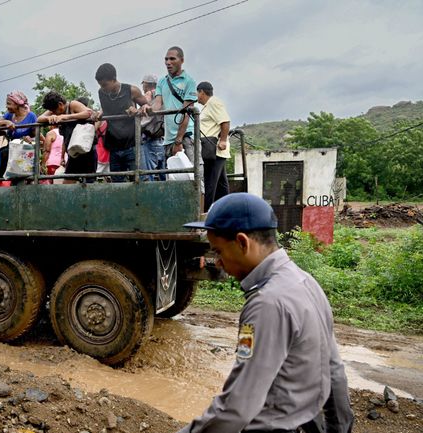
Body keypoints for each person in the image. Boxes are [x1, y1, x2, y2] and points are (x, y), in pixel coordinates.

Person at [179, 193, 354, 433]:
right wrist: (339, 428)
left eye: (218, 251)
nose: (217, 262)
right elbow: (334, 371)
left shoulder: (267, 304)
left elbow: (236, 408)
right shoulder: (305, 282)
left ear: (242, 242)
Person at [94, 63, 151, 182]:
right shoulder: (101, 93)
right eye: (100, 85)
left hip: (132, 144)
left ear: (114, 79)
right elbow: (108, 109)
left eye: (105, 85)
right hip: (114, 146)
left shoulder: (131, 90)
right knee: (117, 184)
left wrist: (139, 110)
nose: (103, 88)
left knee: (141, 180)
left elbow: (147, 106)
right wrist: (101, 113)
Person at [37, 91, 96, 184]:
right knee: (68, 182)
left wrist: (66, 117)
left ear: (60, 104)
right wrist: (48, 118)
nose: (53, 113)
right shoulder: (53, 111)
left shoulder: (72, 105)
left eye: (54, 111)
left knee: (89, 182)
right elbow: (39, 118)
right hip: (73, 153)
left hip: (87, 150)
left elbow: (89, 112)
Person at [151, 47, 197, 162]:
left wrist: (179, 140)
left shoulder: (189, 82)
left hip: (186, 136)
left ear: (181, 60)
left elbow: (186, 113)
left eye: (172, 59)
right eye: (166, 59)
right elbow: (157, 104)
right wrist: (146, 108)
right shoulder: (162, 81)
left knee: (194, 175)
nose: (168, 62)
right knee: (173, 176)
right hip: (168, 138)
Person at [197, 81, 231, 211]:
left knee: (210, 183)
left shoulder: (214, 102)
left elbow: (225, 121)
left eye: (197, 93)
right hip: (212, 149)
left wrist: (222, 140)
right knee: (221, 184)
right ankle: (225, 210)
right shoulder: (207, 106)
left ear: (201, 92)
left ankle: (206, 213)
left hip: (214, 149)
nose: (197, 96)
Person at [141, 73, 166, 181]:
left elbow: (144, 118)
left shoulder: (149, 94)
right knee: (165, 174)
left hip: (150, 138)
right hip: (162, 137)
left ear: (146, 84)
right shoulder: (162, 95)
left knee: (147, 174)